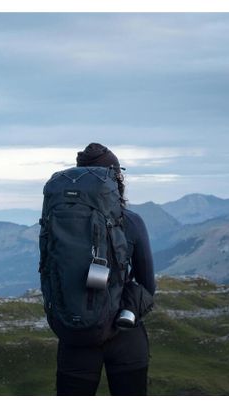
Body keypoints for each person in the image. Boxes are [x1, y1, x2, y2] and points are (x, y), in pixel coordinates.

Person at [54, 142, 156, 396]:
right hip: (124, 335)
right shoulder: (130, 221)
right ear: (113, 180)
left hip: (74, 335)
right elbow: (148, 286)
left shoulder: (56, 221)